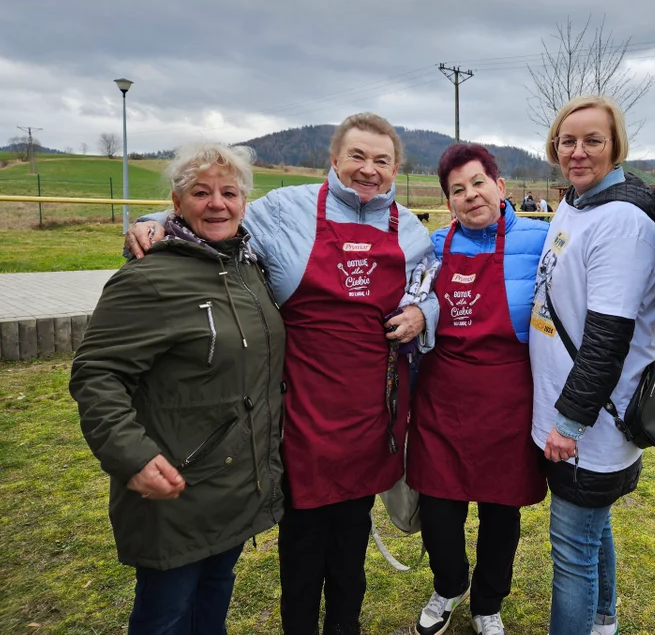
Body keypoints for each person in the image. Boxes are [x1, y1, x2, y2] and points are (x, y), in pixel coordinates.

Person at [125, 113, 439, 635]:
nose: (368, 169)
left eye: (381, 161)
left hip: (372, 414)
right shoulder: (286, 208)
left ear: (395, 169)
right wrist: (150, 222)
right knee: (302, 548)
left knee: (350, 548)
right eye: (357, 156)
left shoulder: (408, 227)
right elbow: (211, 212)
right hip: (301, 413)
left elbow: (429, 285)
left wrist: (423, 312)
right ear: (333, 160)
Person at [71, 143, 285, 634]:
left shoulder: (247, 270)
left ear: (244, 202)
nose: (217, 203)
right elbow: (96, 373)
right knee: (165, 615)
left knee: (214, 596)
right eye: (201, 192)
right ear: (176, 201)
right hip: (175, 486)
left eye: (229, 192)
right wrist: (132, 457)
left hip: (234, 483)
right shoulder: (149, 278)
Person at [528, 95, 655, 635]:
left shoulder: (622, 224)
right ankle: (603, 620)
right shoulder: (575, 204)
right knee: (591, 532)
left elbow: (607, 341)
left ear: (616, 148)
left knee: (571, 553)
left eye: (593, 141)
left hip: (590, 423)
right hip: (567, 410)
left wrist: (569, 423)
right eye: (568, 141)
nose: (578, 152)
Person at [406, 143, 549, 635]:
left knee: (500, 512)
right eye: (457, 190)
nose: (470, 196)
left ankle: (488, 603)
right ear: (448, 201)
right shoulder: (434, 244)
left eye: (478, 183)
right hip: (443, 397)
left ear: (500, 186)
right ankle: (448, 587)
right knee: (440, 507)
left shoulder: (543, 238)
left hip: (510, 398)